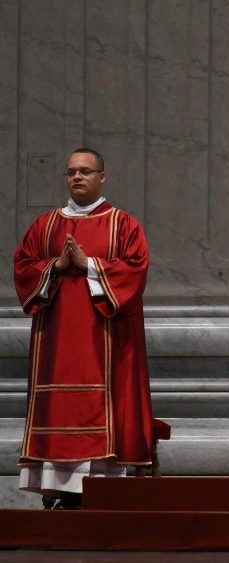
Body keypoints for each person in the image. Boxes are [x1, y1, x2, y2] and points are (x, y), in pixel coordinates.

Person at [14, 148, 154, 509]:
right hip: (56, 344)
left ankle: (95, 492)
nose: (77, 177)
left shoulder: (122, 224)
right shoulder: (45, 225)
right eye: (72, 172)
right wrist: (56, 266)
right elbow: (24, 265)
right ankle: (56, 490)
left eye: (86, 172)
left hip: (104, 341)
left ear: (101, 177)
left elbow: (135, 271)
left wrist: (90, 265)